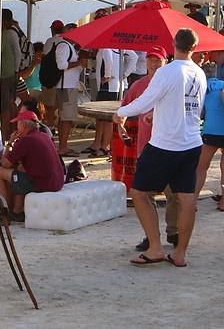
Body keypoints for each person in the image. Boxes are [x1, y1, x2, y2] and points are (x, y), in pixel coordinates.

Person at [114, 29, 205, 267]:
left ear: (174, 45)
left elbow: (145, 100)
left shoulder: (167, 71)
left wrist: (120, 113)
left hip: (165, 144)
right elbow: (190, 107)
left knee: (139, 193)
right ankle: (180, 253)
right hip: (192, 142)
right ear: (195, 47)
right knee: (187, 200)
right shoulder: (199, 73)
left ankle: (155, 247)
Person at [120, 46, 179, 251]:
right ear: (145, 62)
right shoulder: (139, 85)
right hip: (146, 147)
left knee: (175, 194)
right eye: (150, 60)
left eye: (158, 60)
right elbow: (124, 107)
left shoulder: (173, 83)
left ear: (165, 62)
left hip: (170, 146)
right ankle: (150, 236)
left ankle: (173, 232)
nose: (153, 64)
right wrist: (120, 126)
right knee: (145, 194)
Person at [0, 110, 65, 222]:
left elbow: (5, 164)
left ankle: (3, 214)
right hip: (57, 181)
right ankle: (17, 211)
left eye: (17, 124)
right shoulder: (44, 136)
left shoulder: (26, 140)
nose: (16, 127)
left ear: (23, 125)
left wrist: (10, 143)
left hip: (44, 184)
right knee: (21, 169)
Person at [85, 48, 137, 157]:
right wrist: (123, 74)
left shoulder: (107, 48)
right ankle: (98, 143)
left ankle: (104, 147)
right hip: (113, 85)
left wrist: (108, 75)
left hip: (107, 86)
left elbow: (109, 60)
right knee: (101, 117)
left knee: (106, 118)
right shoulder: (116, 48)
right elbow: (133, 57)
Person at [54, 29, 87, 157]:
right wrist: (79, 62)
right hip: (66, 86)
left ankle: (63, 146)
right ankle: (62, 147)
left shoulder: (68, 46)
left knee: (65, 118)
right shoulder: (63, 46)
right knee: (67, 118)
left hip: (68, 86)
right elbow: (61, 65)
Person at [0, 9, 22, 140]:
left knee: (5, 106)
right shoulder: (5, 33)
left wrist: (15, 71)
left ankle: (4, 134)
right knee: (7, 104)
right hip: (5, 74)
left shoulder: (8, 34)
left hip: (5, 75)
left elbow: (17, 53)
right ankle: (7, 133)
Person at [197, 62, 224, 211]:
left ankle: (192, 201)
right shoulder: (222, 84)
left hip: (211, 131)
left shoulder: (202, 87)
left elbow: (200, 113)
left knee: (201, 167)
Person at [40, 20, 65, 128]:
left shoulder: (50, 41)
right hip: (64, 78)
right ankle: (58, 127)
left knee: (49, 106)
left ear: (52, 30)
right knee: (61, 107)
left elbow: (44, 57)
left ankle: (50, 127)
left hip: (51, 78)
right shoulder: (66, 41)